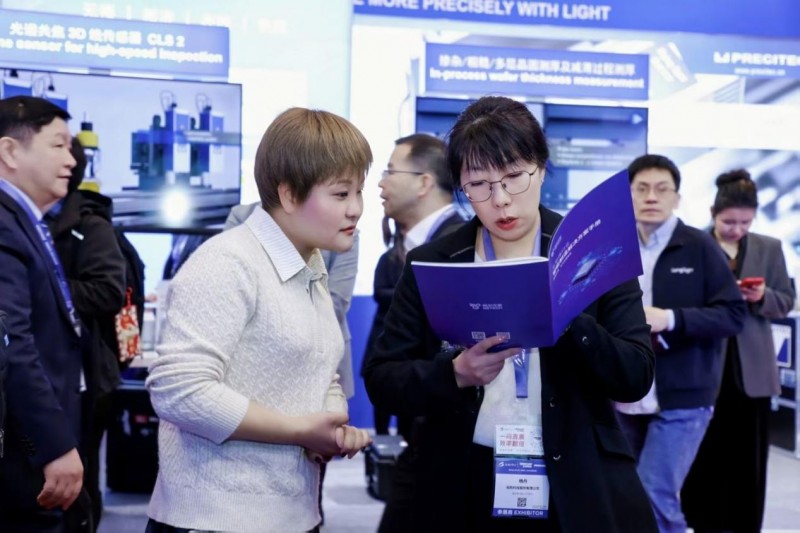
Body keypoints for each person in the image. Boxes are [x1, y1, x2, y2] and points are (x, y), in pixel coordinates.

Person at [363, 96, 657, 533]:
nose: (500, 200)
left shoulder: (592, 250)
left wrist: (569, 315)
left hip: (574, 476)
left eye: (515, 177)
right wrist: (454, 373)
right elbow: (383, 379)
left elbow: (635, 376)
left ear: (541, 168)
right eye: (478, 185)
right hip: (464, 475)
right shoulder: (435, 261)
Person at [144, 107, 373, 533]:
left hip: (292, 514)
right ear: (288, 195)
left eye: (359, 192)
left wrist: (331, 425)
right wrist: (300, 431)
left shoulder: (310, 268)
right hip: (215, 520)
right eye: (341, 194)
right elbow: (180, 391)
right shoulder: (228, 262)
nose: (356, 209)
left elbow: (318, 371)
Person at [615, 154, 747, 533]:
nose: (651, 197)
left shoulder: (699, 246)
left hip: (684, 395)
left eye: (662, 189)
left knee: (654, 494)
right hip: (625, 392)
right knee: (626, 497)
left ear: (676, 197)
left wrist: (670, 318)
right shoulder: (615, 247)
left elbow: (733, 315)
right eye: (641, 188)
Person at [224, 201, 359, 526]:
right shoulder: (243, 217)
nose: (353, 206)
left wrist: (275, 317)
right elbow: (229, 290)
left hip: (321, 365)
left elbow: (336, 301)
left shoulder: (344, 228)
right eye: (341, 193)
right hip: (251, 366)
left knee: (309, 483)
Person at [681, 169, 795, 533]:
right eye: (729, 222)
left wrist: (762, 296)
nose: (737, 230)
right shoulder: (694, 244)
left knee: (749, 460)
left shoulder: (769, 247)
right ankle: (703, 524)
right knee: (704, 458)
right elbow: (680, 301)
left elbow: (787, 300)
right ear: (713, 214)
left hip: (752, 372)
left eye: (745, 223)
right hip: (703, 366)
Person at [0, 96, 88, 531]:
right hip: (21, 458)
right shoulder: (4, 223)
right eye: (57, 145)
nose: (71, 160)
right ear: (10, 152)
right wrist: (53, 445)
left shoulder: (25, 219)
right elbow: (11, 344)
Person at [47, 138, 127, 531]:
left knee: (77, 485)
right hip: (38, 373)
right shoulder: (22, 221)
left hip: (84, 378)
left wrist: (44, 287)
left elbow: (108, 292)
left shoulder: (89, 226)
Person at [363, 133, 465, 437]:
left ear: (424, 183)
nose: (381, 184)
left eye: (391, 171)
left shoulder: (461, 250)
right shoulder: (407, 250)